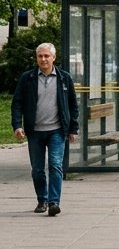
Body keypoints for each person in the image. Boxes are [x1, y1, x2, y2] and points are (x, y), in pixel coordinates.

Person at [12, 42, 79, 217]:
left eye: (46, 56)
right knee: (37, 169)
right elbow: (17, 103)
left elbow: (73, 104)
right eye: (40, 56)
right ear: (36, 58)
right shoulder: (28, 78)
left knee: (56, 165)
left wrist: (73, 128)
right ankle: (42, 199)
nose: (43, 59)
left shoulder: (64, 78)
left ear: (53, 58)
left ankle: (54, 202)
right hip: (35, 131)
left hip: (57, 130)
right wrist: (17, 125)